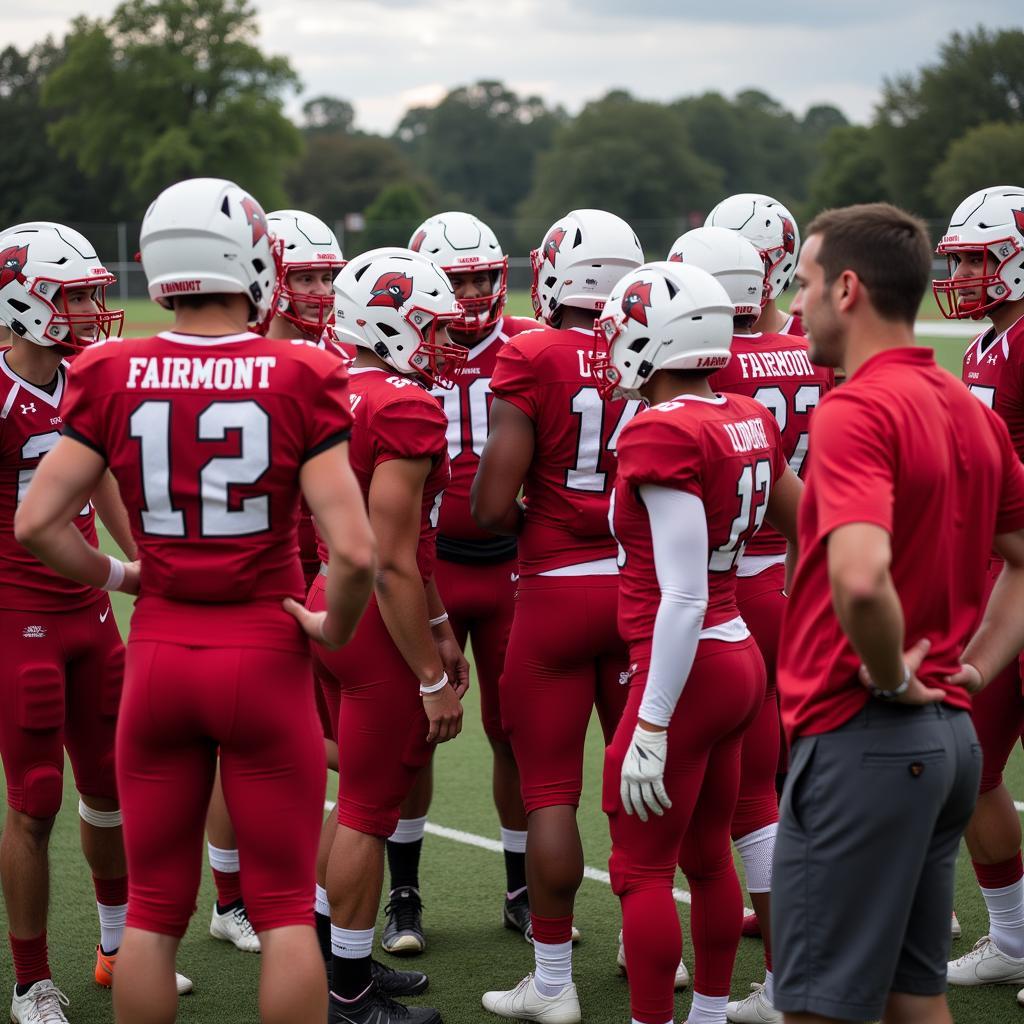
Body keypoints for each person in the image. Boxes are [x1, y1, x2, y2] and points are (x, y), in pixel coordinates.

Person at [15, 176, 377, 1024]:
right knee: (287, 909)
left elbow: (37, 522)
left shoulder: (109, 369)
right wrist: (334, 627)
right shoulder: (302, 371)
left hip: (162, 652)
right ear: (251, 260)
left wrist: (124, 576)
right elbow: (356, 550)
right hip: (266, 649)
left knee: (150, 915)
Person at [772, 202, 1024, 1024]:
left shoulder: (856, 410)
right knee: (915, 998)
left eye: (805, 283)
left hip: (865, 735)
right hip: (945, 738)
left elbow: (861, 578)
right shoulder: (970, 408)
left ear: (847, 289)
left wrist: (889, 675)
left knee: (817, 1005)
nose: (797, 301)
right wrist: (976, 666)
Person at [593, 259, 800, 1024]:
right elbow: (801, 521)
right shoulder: (744, 414)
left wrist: (649, 721)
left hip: (682, 663)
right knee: (711, 857)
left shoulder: (662, 429)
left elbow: (679, 592)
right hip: (738, 650)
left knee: (640, 872)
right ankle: (711, 1014)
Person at [0, 220, 192, 1024]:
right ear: (18, 300)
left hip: (87, 613)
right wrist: (125, 573)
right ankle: (31, 981)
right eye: (72, 294)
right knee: (36, 796)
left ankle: (117, 946)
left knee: (113, 787)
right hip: (19, 616)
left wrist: (146, 562)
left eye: (89, 294)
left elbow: (106, 479)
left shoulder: (89, 378)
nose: (87, 310)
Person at [474, 209, 660, 1024]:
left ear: (554, 272)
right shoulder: (652, 349)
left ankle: (553, 983)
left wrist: (534, 519)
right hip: (633, 590)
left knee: (550, 792)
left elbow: (486, 505)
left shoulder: (533, 353)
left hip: (551, 591)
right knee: (640, 792)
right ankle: (645, 946)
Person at [668, 225, 834, 1024]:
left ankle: (663, 941)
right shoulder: (806, 349)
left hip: (717, 589)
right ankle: (785, 968)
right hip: (783, 578)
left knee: (703, 795)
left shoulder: (710, 371)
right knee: (769, 789)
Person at [371, 211, 538, 952]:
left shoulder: (530, 345)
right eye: (458, 279)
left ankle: (522, 886)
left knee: (515, 734)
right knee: (411, 734)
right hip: (426, 572)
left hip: (510, 566)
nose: (471, 294)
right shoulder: (399, 350)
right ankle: (403, 894)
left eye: (481, 278)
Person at [311, 246, 468, 1024]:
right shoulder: (405, 404)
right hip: (372, 616)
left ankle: (334, 961)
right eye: (430, 325)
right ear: (389, 320)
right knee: (371, 807)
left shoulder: (325, 380)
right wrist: (432, 677)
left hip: (324, 600)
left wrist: (439, 624)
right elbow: (392, 561)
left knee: (353, 800)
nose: (443, 341)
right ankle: (346, 995)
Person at [932, 185, 1024, 989]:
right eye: (957, 258)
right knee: (975, 763)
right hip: (1004, 577)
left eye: (975, 258)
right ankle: (1015, 936)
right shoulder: (983, 348)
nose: (960, 272)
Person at [704, 194, 802, 337]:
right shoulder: (696, 338)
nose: (727, 272)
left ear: (782, 262)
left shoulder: (814, 343)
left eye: (743, 260)